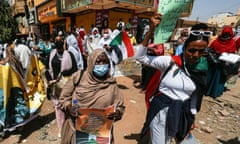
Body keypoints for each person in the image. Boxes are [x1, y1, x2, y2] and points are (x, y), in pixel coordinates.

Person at [135, 13, 210, 143]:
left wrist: (191, 119)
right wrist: (151, 31)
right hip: (160, 111)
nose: (195, 55)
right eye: (192, 50)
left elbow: (195, 100)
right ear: (184, 48)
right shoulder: (170, 62)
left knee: (170, 139)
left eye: (201, 51)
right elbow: (140, 57)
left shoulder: (201, 71)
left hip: (181, 113)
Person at [59, 48, 125, 144]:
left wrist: (118, 113)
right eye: (98, 62)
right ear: (91, 62)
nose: (102, 65)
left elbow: (120, 105)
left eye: (105, 62)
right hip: (77, 131)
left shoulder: (111, 83)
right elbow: (64, 97)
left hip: (101, 133)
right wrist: (68, 107)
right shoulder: (78, 77)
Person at [45, 39, 78, 138]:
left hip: (68, 86)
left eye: (61, 47)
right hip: (56, 87)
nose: (59, 49)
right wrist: (50, 80)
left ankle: (72, 127)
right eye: (58, 47)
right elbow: (47, 69)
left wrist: (65, 73)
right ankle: (62, 129)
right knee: (58, 108)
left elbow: (75, 69)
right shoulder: (51, 55)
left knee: (69, 106)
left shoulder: (69, 55)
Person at [207, 25, 238, 97]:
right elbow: (232, 53)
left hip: (214, 62)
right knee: (219, 79)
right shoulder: (232, 42)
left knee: (211, 76)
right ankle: (216, 93)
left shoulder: (217, 40)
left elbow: (210, 48)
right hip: (223, 64)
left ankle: (208, 91)